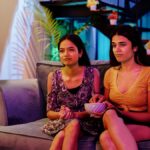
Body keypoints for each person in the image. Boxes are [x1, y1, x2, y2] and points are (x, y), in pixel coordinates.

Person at [91, 25, 150, 150]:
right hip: (114, 120)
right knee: (109, 114)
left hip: (141, 124)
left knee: (106, 137)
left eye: (122, 44)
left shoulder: (148, 73)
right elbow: (107, 105)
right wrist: (99, 102)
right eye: (114, 45)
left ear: (135, 47)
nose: (117, 49)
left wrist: (122, 112)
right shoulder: (110, 73)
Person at [42, 34, 102, 150]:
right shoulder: (53, 77)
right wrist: (61, 114)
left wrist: (74, 115)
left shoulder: (92, 73)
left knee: (63, 133)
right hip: (62, 121)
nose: (66, 54)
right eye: (62, 51)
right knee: (67, 129)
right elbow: (49, 112)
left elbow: (95, 108)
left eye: (71, 50)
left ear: (80, 53)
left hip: (86, 122)